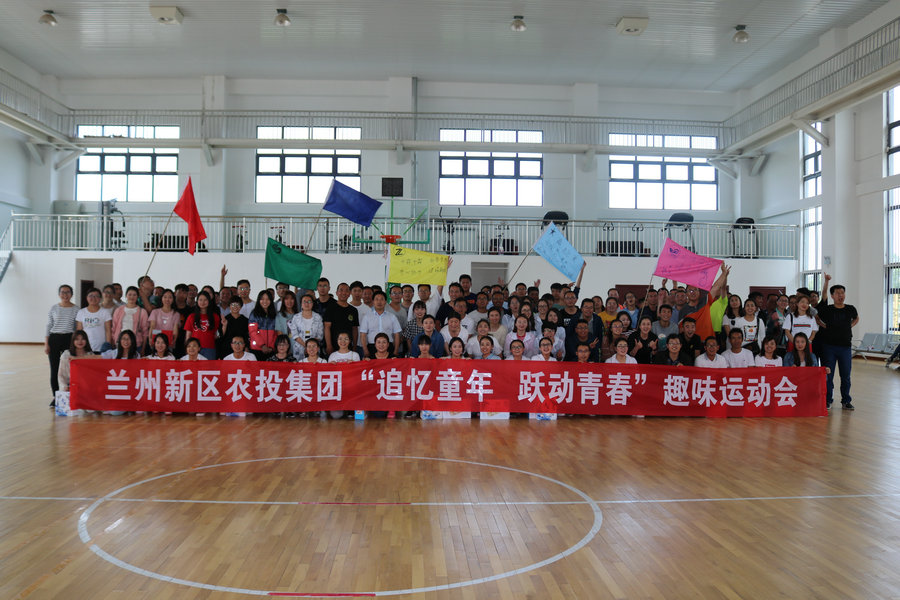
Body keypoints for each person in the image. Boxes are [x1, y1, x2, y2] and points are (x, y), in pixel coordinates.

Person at [817, 274, 859, 410]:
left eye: (842, 293)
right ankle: (828, 400)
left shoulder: (850, 308)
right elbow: (817, 317)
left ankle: (846, 401)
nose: (841, 295)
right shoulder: (827, 309)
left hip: (845, 347)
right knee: (828, 375)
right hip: (829, 347)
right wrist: (823, 326)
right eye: (837, 293)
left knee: (845, 376)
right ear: (832, 296)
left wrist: (850, 326)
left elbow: (857, 318)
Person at [45, 284, 80, 405]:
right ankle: (56, 396)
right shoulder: (54, 308)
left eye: (68, 292)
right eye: (63, 292)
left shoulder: (76, 309)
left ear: (72, 294)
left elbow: (76, 327)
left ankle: (69, 394)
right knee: (54, 369)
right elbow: (49, 325)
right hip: (54, 339)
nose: (65, 295)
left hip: (69, 339)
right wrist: (46, 343)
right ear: (59, 294)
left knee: (69, 368)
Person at [359, 291, 402, 358]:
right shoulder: (367, 317)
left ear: (385, 302)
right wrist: (365, 351)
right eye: (377, 299)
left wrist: (396, 350)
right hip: (372, 347)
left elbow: (396, 335)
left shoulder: (392, 316)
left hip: (388, 347)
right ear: (373, 302)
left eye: (382, 299)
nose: (379, 302)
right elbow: (363, 335)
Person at [111, 286, 150, 354]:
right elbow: (113, 328)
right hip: (119, 344)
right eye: (130, 294)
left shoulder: (142, 312)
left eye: (134, 295)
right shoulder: (118, 310)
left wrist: (143, 348)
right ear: (126, 296)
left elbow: (145, 332)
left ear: (138, 296)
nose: (132, 297)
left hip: (136, 345)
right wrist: (113, 343)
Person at [323, 282, 359, 357]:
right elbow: (327, 327)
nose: (344, 293)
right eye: (341, 290)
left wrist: (354, 345)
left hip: (348, 347)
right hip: (333, 346)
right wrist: (329, 345)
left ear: (349, 293)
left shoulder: (353, 310)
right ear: (337, 293)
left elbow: (355, 329)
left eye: (346, 291)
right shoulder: (330, 308)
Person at [182, 291, 220, 360]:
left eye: (205, 300)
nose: (202, 302)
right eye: (200, 300)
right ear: (197, 301)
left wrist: (224, 325)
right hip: (193, 348)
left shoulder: (215, 317)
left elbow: (216, 335)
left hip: (209, 348)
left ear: (209, 301)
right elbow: (188, 336)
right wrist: (187, 348)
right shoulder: (191, 316)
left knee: (208, 367)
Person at [289, 293, 324, 360]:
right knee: (300, 366)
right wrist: (306, 346)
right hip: (299, 349)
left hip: (314, 350)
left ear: (312, 304)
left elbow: (320, 335)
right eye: (304, 302)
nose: (307, 304)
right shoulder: (296, 317)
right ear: (301, 304)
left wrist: (311, 347)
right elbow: (295, 335)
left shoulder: (318, 317)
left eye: (309, 301)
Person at [248, 290, 278, 360]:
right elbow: (253, 332)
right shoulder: (254, 314)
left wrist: (272, 347)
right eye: (262, 299)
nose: (265, 301)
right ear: (259, 300)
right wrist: (262, 345)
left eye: (267, 299)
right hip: (257, 349)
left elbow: (276, 333)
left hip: (271, 350)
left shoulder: (274, 314)